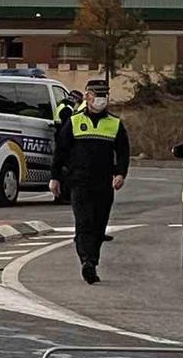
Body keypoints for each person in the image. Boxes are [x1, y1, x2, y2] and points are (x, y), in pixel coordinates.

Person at [50, 80, 130, 284]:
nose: (101, 100)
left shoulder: (115, 124)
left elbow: (122, 152)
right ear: (87, 97)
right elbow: (61, 151)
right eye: (97, 95)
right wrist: (55, 177)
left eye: (104, 96)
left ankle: (91, 259)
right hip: (79, 181)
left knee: (99, 225)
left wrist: (121, 173)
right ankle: (88, 261)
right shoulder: (75, 122)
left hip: (104, 182)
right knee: (84, 222)